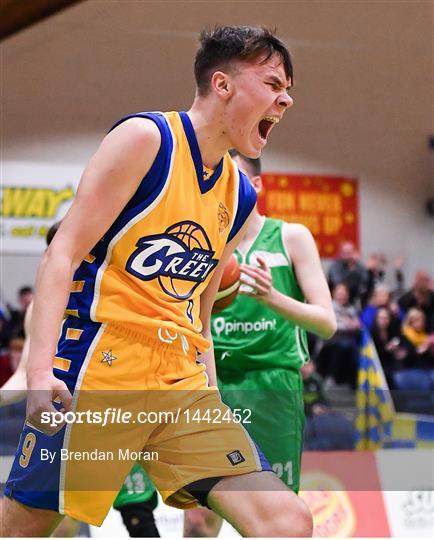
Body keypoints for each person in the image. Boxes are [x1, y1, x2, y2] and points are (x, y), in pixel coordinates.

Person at [1, 26, 314, 537]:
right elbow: (62, 253)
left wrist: (210, 389)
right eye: (274, 83)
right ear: (224, 84)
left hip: (182, 380)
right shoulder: (146, 140)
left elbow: (201, 310)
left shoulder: (239, 195)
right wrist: (38, 373)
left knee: (288, 520)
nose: (287, 98)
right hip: (102, 369)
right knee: (25, 529)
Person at [184, 151, 336, 536]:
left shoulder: (290, 236)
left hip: (272, 388)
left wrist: (273, 297)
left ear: (256, 185)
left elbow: (327, 323)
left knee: (276, 516)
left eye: (234, 179)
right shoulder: (204, 246)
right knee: (199, 515)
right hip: (212, 385)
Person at [0, 222, 160, 538]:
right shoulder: (42, 306)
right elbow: (24, 376)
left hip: (120, 414)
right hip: (62, 421)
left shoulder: (122, 297)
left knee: (138, 515)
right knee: (51, 525)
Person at [316, 282, 361, 389]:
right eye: (339, 294)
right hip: (329, 344)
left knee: (352, 348)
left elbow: (357, 325)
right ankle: (330, 377)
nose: (342, 296)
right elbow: (333, 325)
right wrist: (347, 324)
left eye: (344, 294)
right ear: (333, 294)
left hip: (348, 344)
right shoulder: (328, 306)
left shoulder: (352, 309)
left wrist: (349, 323)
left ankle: (353, 381)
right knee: (342, 347)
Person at [327, 241, 369, 307]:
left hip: (355, 299)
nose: (348, 255)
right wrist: (352, 269)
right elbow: (338, 283)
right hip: (337, 300)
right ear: (341, 253)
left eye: (350, 252)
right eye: (345, 253)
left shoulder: (358, 265)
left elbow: (365, 281)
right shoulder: (335, 265)